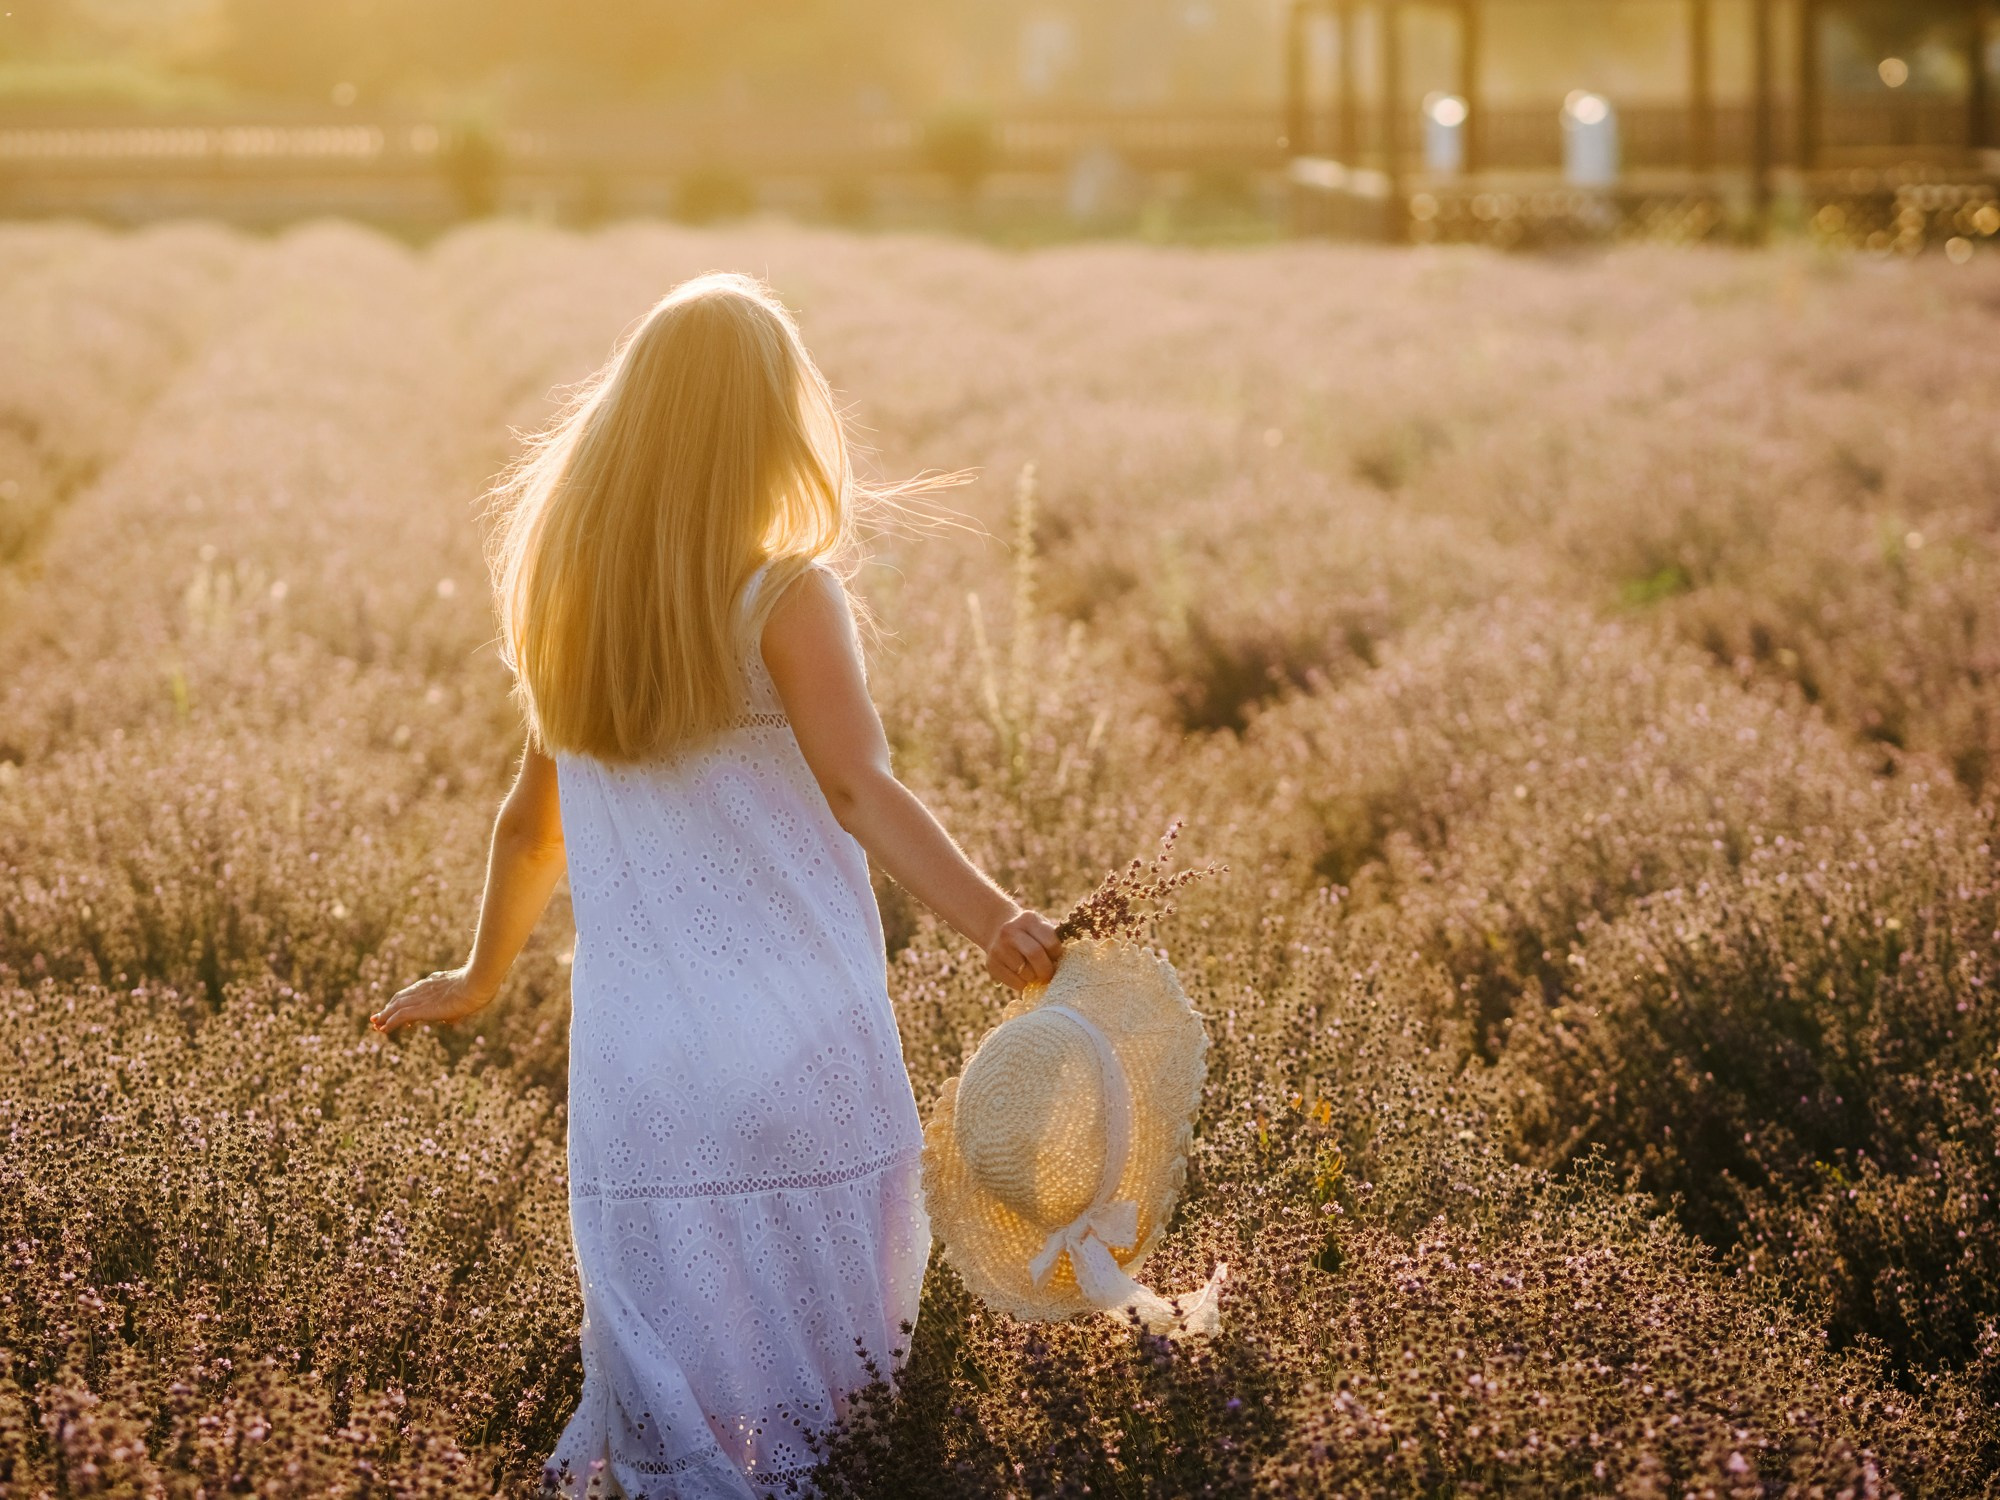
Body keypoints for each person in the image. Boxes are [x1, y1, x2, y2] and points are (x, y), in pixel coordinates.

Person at [369, 272, 1063, 1497]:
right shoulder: (785, 594)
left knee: (673, 1376)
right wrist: (995, 919)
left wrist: (478, 977)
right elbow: (858, 790)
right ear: (769, 429)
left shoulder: (574, 608)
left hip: (637, 1062)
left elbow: (530, 830)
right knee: (833, 1379)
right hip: (799, 1034)